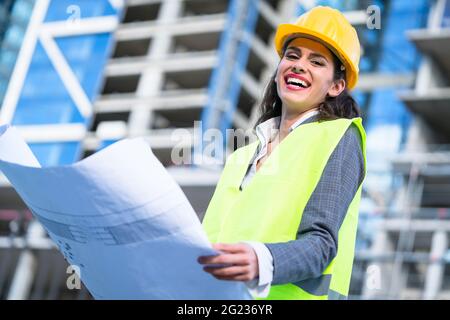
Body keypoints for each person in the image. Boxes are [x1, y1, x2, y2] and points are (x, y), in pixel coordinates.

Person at [198, 6, 366, 300]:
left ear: (336, 85)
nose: (300, 65)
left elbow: (322, 244)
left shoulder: (339, 136)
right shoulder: (241, 156)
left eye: (316, 61)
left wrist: (260, 261)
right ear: (278, 72)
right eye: (292, 55)